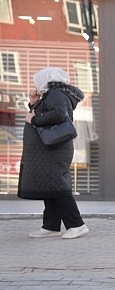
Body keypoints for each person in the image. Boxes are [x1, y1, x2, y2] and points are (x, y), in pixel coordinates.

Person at [18, 67, 89, 239]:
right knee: (50, 185)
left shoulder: (55, 94)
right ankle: (51, 226)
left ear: (46, 80)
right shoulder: (51, 95)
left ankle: (77, 225)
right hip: (50, 149)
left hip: (55, 149)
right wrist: (34, 103)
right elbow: (47, 113)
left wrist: (33, 119)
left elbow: (58, 114)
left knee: (57, 185)